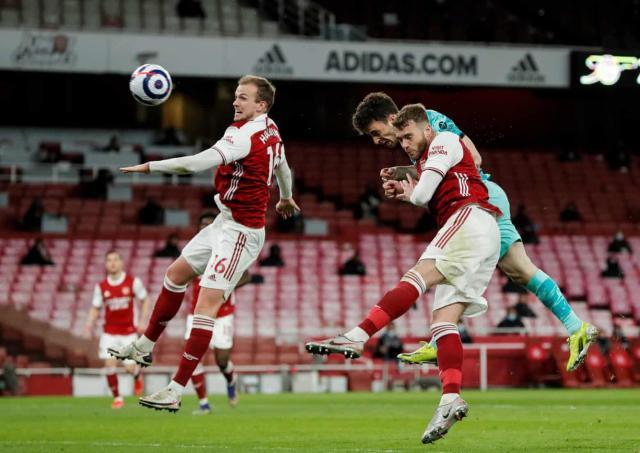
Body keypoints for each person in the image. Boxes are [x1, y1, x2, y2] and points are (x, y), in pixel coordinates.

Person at [348, 92, 595, 373]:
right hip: (477, 202)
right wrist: (406, 172)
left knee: (469, 266)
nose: (376, 141)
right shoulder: (416, 139)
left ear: (392, 118)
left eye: (376, 132)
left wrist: (418, 180)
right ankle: (576, 326)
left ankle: (574, 327)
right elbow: (442, 167)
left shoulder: (430, 121)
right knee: (516, 270)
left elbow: (472, 158)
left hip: (480, 200)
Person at [306, 104, 503, 444]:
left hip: (469, 219)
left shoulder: (443, 141)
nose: (406, 144)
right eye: (402, 139)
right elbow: (428, 193)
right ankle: (450, 398)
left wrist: (412, 192)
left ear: (426, 129)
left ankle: (357, 335)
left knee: (415, 278)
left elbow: (424, 194)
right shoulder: (428, 157)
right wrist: (408, 188)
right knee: (443, 321)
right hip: (482, 234)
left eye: (409, 136)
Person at [109, 75, 299, 412]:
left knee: (205, 306)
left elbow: (193, 164)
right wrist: (285, 196)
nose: (235, 102)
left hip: (240, 232)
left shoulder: (244, 136)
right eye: (236, 96)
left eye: (243, 98)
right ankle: (144, 346)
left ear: (261, 105)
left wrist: (151, 167)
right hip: (224, 221)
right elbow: (283, 164)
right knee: (175, 274)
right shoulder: (270, 128)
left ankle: (175, 390)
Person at [188, 212, 251, 414]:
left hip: (222, 314)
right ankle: (204, 404)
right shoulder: (194, 251)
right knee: (192, 358)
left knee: (221, 360)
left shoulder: (229, 251)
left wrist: (225, 287)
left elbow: (247, 276)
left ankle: (231, 380)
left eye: (210, 223)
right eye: (203, 224)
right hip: (197, 314)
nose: (206, 227)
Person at [83, 250, 150, 409]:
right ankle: (117, 398)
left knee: (130, 368)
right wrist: (88, 325)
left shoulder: (133, 282)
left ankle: (137, 375)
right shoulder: (101, 287)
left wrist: (143, 321)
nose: (112, 263)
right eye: (109, 260)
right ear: (106, 264)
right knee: (109, 365)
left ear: (121, 262)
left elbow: (145, 300)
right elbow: (95, 308)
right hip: (109, 333)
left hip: (129, 333)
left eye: (115, 260)